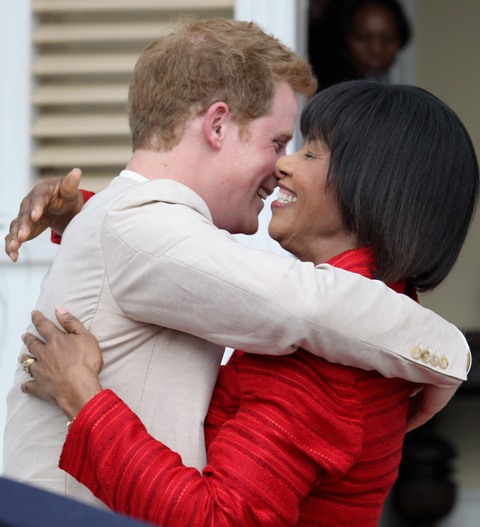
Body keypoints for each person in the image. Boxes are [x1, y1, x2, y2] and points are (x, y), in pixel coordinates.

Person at [3, 17, 471, 509]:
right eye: (279, 143)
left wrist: (90, 217)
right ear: (218, 125)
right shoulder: (137, 228)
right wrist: (444, 352)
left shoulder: (135, 228)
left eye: (307, 152)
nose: (284, 163)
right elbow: (300, 303)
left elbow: (285, 299)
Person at [309, 0, 411, 91]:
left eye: (387, 39)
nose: (376, 50)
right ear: (343, 39)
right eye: (364, 38)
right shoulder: (328, 92)